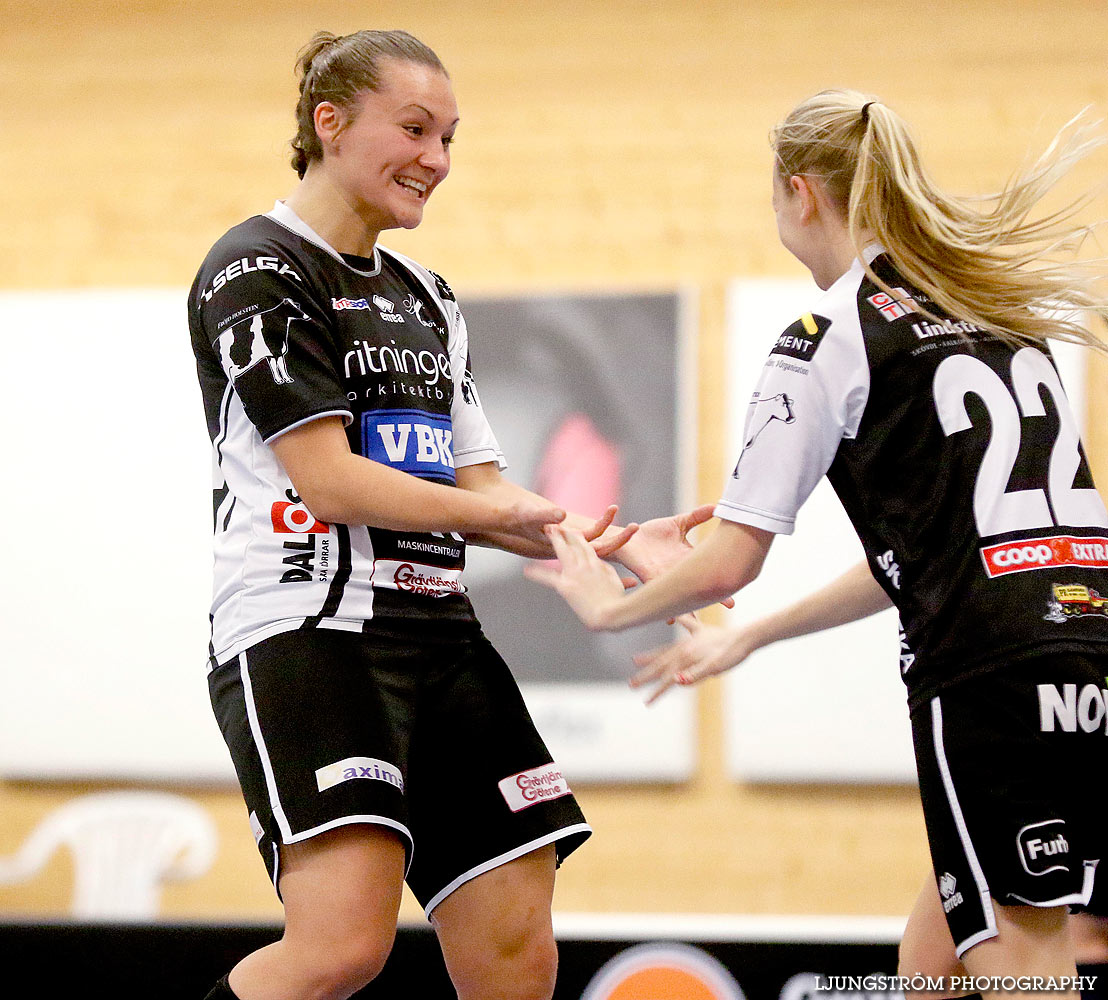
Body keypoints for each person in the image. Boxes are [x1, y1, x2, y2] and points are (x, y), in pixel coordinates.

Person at [529, 89, 1108, 999]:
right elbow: (929, 555)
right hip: (1081, 647)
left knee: (1026, 967)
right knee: (935, 962)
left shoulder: (827, 335)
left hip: (990, 674)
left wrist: (612, 606)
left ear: (801, 192)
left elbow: (729, 558)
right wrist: (747, 634)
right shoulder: (993, 313)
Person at [188, 29, 707, 1000]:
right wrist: (498, 525)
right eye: (416, 130)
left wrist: (610, 535)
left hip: (441, 633)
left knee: (518, 942)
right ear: (328, 124)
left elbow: (483, 486)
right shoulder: (254, 267)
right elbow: (328, 481)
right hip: (311, 630)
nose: (438, 160)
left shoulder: (427, 295)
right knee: (342, 946)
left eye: (451, 138)